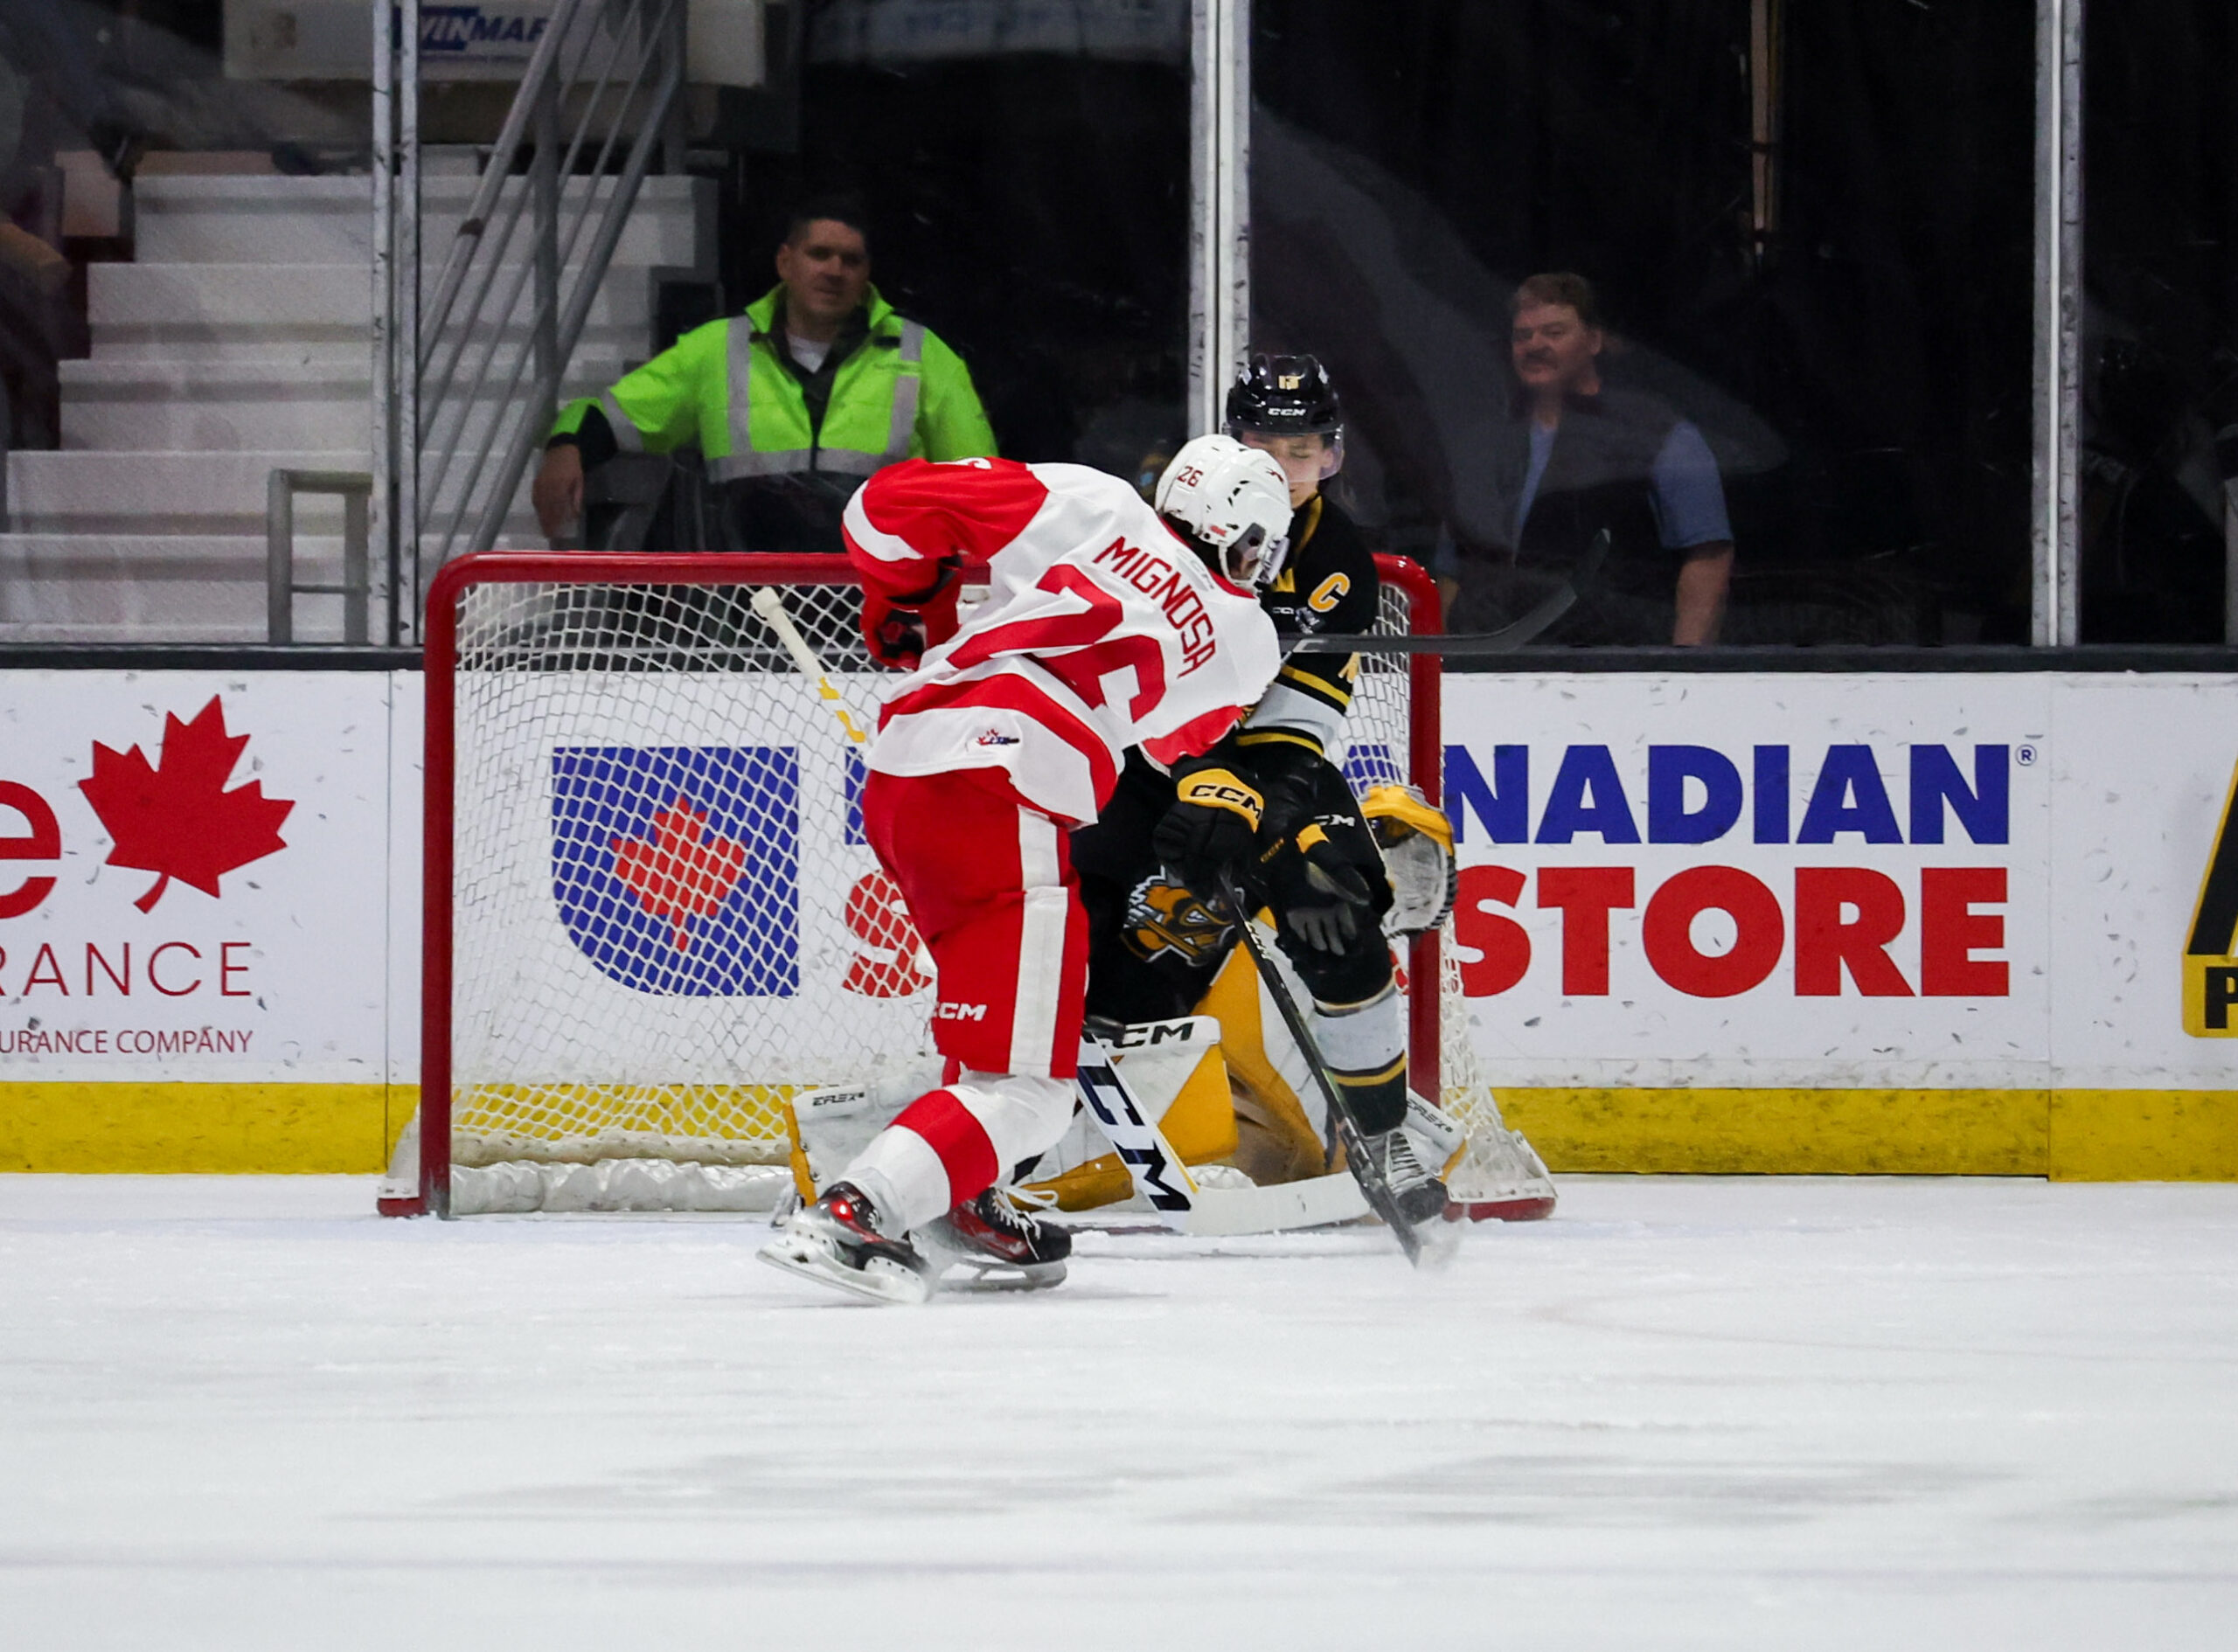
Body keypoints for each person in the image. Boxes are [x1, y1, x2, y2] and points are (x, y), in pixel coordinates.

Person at [758, 436, 1292, 1304]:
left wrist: (912, 602)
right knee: (1031, 1091)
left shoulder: (1092, 499)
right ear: (1248, 539)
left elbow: (882, 509)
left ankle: (957, 1194)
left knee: (993, 1043)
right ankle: (858, 1209)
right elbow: (1174, 745)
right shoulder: (1249, 640)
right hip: (1004, 790)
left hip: (904, 771)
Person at [1067, 355, 1452, 1221]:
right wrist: (1198, 781)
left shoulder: (1336, 559)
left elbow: (1298, 718)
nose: (1285, 467)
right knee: (1088, 925)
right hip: (1147, 758)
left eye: (1304, 448)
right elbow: (1128, 687)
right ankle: (1035, 1115)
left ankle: (1381, 1135)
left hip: (1265, 764)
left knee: (1336, 907)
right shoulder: (1163, 528)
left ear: (1332, 454)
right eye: (1266, 446)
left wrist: (1261, 808)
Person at [532, 197, 997, 554]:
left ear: (866, 274)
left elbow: (981, 483)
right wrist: (565, 448)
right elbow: (611, 417)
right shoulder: (716, 350)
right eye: (820, 254)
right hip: (751, 605)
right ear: (785, 262)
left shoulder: (923, 355)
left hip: (883, 597)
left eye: (850, 260)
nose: (834, 271)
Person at [1443, 272, 1735, 645]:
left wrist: (1681, 669)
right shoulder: (1482, 445)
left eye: (1554, 332)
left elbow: (1708, 559)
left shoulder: (1656, 433)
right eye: (1523, 336)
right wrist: (1443, 665)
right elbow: (1451, 571)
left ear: (1594, 340)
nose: (1535, 345)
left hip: (1608, 664)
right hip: (1489, 663)